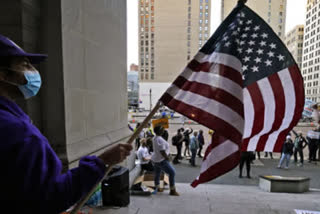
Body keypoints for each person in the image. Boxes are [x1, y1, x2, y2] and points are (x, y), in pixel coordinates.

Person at [0, 34, 133, 213]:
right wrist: (102, 162)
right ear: (2, 74)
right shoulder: (17, 132)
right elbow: (50, 197)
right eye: (25, 65)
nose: (33, 71)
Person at [151, 125, 179, 196]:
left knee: (157, 173)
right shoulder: (160, 139)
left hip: (156, 159)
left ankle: (157, 187)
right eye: (163, 129)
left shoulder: (155, 138)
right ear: (160, 131)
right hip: (161, 160)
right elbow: (162, 151)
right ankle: (172, 190)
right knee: (172, 172)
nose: (164, 130)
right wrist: (167, 158)